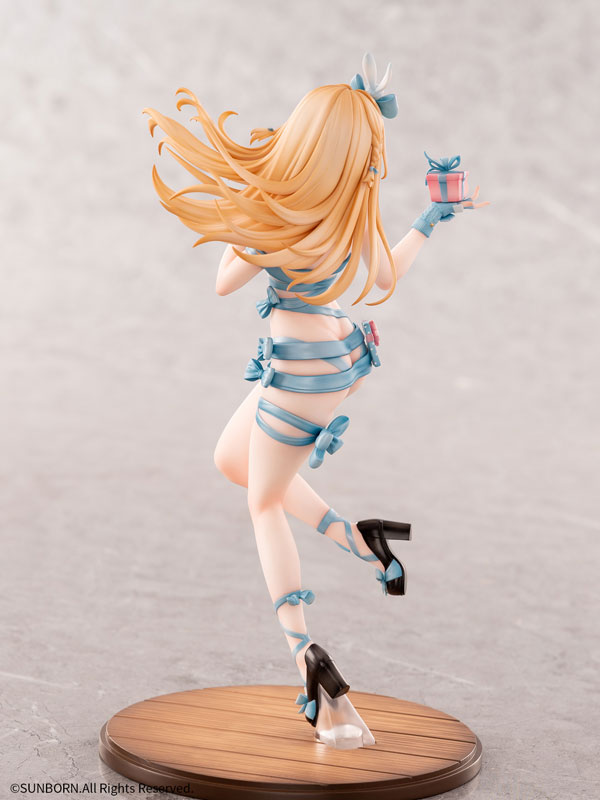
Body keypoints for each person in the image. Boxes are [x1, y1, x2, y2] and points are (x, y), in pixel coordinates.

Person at [143, 53, 488, 746]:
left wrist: (251, 207)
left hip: (299, 377)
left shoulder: (281, 217)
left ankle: (309, 660)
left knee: (264, 503)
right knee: (233, 459)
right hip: (332, 361)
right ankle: (365, 540)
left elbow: (223, 282)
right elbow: (385, 274)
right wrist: (430, 218)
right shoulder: (345, 213)